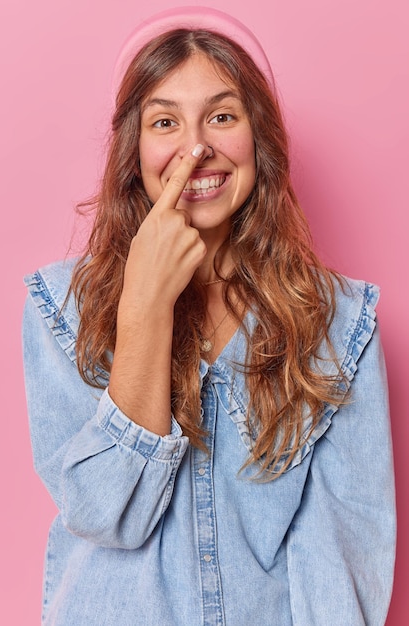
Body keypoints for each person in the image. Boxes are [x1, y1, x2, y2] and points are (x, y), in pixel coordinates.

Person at [22, 7, 396, 625]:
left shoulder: (340, 323)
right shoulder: (60, 309)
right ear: (132, 147)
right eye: (164, 121)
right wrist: (145, 303)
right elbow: (107, 514)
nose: (196, 149)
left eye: (222, 116)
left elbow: (342, 562)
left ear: (259, 138)